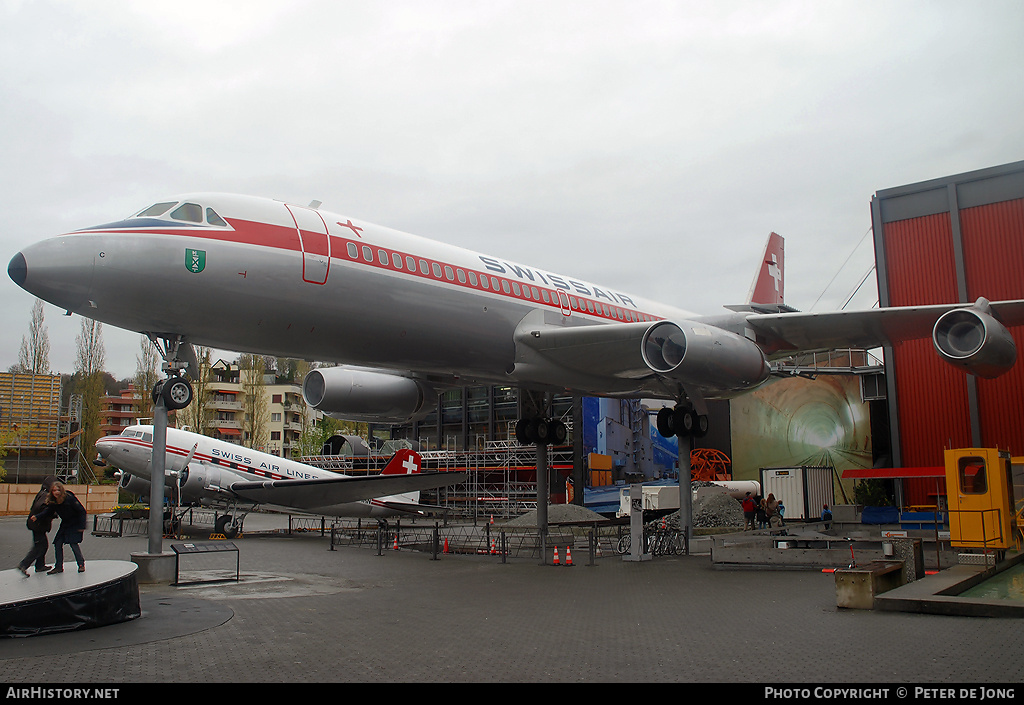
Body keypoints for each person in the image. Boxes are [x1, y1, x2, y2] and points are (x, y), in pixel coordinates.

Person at [31, 481, 87, 574]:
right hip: (65, 524)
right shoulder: (53, 501)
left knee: (73, 543)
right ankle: (58, 567)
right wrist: (37, 516)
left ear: (61, 490)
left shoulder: (69, 498)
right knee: (57, 544)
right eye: (54, 490)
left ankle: (81, 564)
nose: (56, 492)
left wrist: (82, 526)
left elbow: (81, 511)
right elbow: (48, 511)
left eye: (58, 490)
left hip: (74, 523)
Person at [16, 476, 58, 577]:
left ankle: (40, 565)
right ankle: (24, 564)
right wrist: (52, 513)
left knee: (41, 545)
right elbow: (40, 507)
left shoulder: (42, 493)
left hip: (36, 525)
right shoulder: (45, 495)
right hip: (38, 525)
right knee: (40, 546)